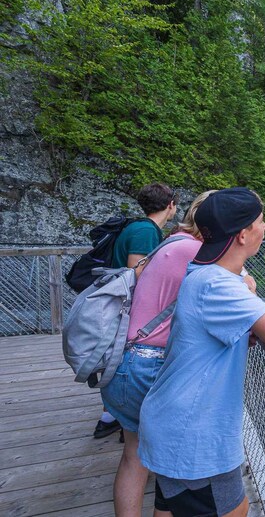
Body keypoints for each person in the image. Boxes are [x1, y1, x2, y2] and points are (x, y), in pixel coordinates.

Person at [138, 187, 265, 517]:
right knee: (235, 511)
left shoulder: (202, 272)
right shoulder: (218, 285)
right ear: (242, 235)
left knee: (168, 510)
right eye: (260, 222)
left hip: (174, 422)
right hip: (194, 436)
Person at [100, 191, 215, 517]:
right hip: (150, 368)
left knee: (133, 457)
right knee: (170, 464)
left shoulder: (170, 242)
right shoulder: (195, 251)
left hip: (124, 361)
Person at [95, 182, 179, 440]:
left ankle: (113, 416)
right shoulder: (146, 231)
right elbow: (138, 271)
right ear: (170, 205)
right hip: (127, 307)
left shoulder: (139, 227)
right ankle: (119, 420)